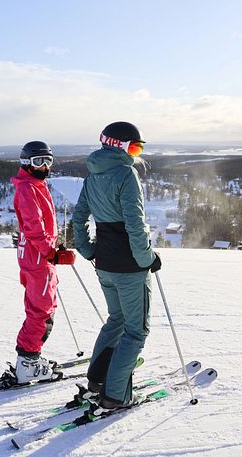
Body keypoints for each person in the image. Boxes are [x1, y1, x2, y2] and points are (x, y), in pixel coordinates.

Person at [72, 121, 161, 412]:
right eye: (134, 147)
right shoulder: (126, 174)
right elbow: (135, 225)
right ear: (118, 146)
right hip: (129, 266)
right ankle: (116, 396)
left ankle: (97, 382)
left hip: (105, 264)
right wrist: (147, 258)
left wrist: (87, 249)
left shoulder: (92, 175)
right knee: (136, 332)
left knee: (116, 321)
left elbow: (79, 218)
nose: (136, 154)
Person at [11, 140, 64, 383]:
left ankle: (29, 359)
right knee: (41, 311)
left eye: (48, 161)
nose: (44, 167)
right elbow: (34, 228)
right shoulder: (27, 189)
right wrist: (49, 251)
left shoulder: (34, 185)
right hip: (38, 258)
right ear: (26, 163)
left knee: (39, 307)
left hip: (37, 256)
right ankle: (28, 364)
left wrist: (51, 248)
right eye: (38, 162)